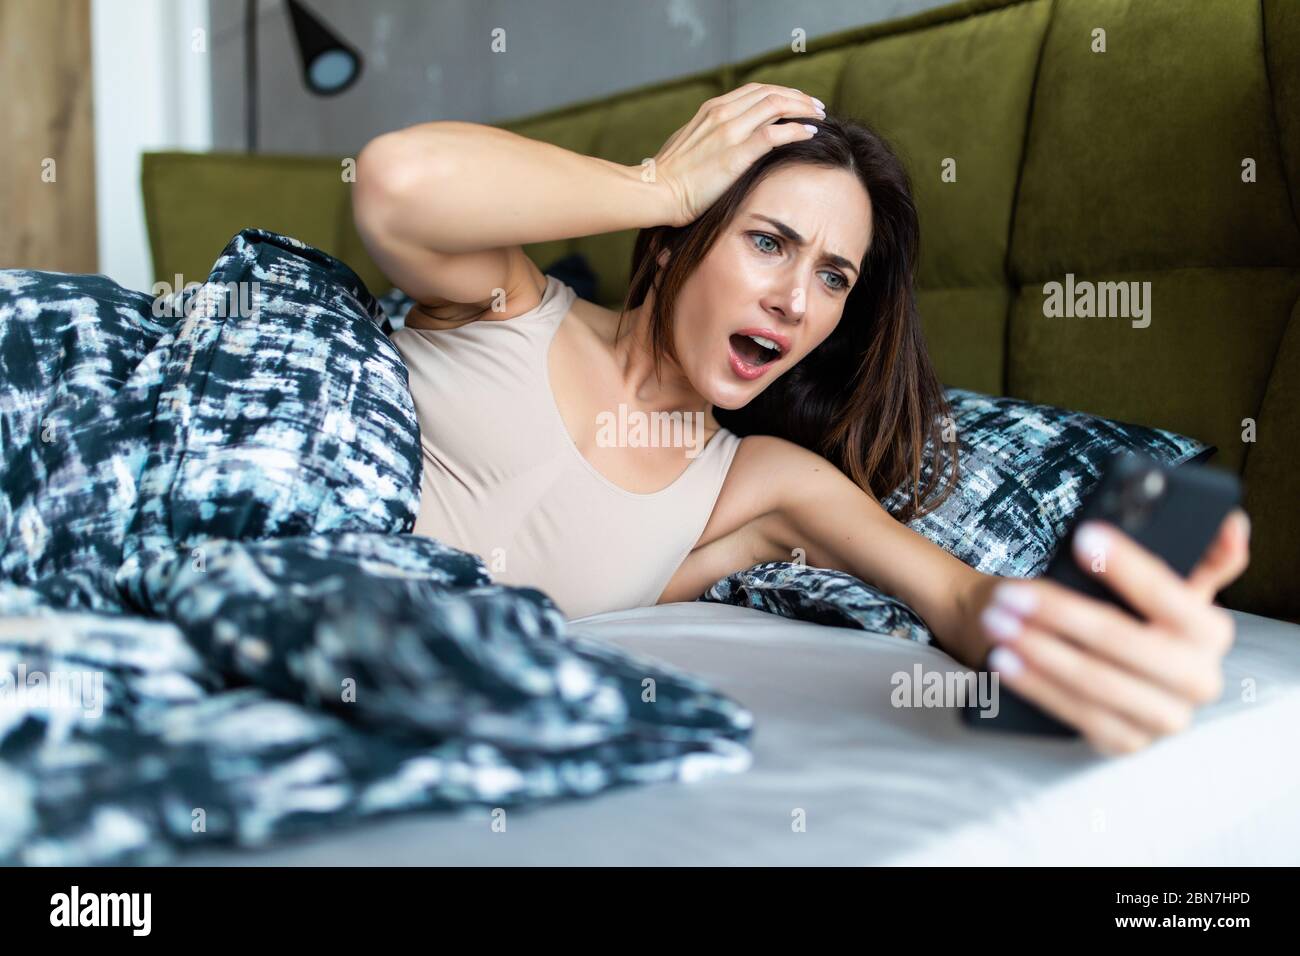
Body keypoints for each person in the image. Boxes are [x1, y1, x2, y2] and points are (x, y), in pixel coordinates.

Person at [351, 82, 1250, 757]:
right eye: (769, 241)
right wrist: (660, 183)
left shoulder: (758, 483)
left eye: (833, 278)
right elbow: (394, 181)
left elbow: (959, 597)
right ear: (674, 239)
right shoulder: (512, 304)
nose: (794, 301)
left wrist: (1077, 633)